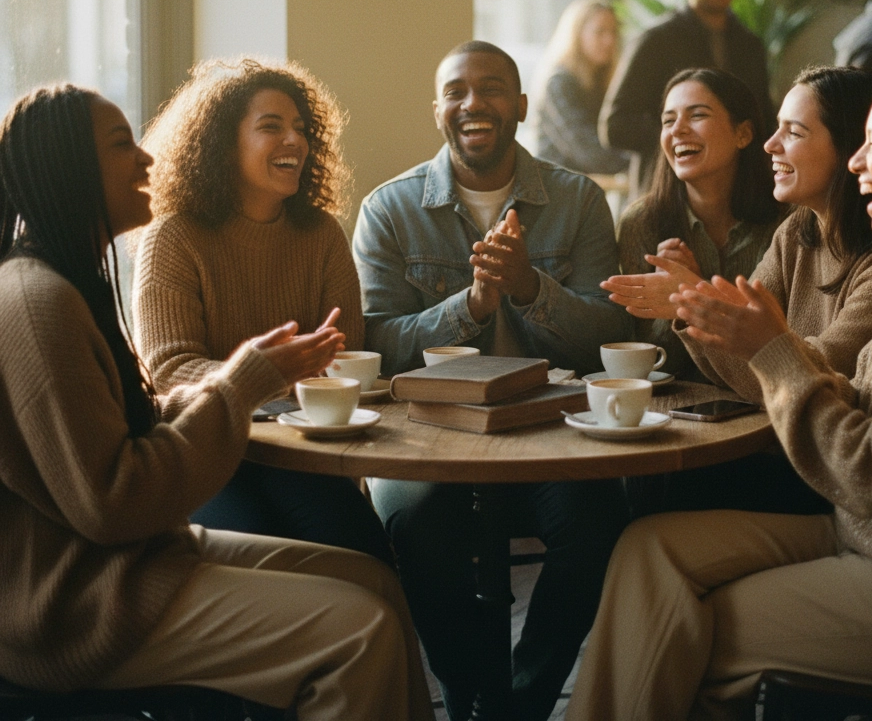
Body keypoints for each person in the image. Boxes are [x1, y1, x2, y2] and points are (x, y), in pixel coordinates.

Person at [567, 58, 872, 721]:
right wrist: (736, 330)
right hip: (859, 536)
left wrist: (773, 350)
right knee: (648, 549)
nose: (857, 163)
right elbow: (858, 399)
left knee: (668, 627)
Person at [0, 84, 432, 721]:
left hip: (135, 556)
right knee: (359, 630)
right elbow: (113, 503)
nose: (146, 159)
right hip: (78, 604)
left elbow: (131, 435)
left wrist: (247, 379)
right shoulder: (38, 303)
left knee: (373, 582)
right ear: (68, 166)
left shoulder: (66, 282)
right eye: (122, 145)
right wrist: (243, 380)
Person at [352, 40, 631, 721]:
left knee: (597, 526)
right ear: (439, 111)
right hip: (425, 438)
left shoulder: (579, 201)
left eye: (492, 88)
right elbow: (379, 345)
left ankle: (525, 702)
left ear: (522, 105)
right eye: (455, 91)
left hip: (552, 432)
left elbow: (607, 336)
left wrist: (531, 286)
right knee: (417, 526)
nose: (472, 103)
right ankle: (475, 694)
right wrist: (473, 304)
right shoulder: (389, 211)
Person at [607, 65, 872, 516]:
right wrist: (695, 305)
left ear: (849, 149)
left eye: (793, 132)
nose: (772, 145)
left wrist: (694, 301)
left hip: (828, 481)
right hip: (779, 451)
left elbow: (807, 373)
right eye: (667, 119)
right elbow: (750, 347)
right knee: (634, 495)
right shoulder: (797, 231)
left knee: (654, 501)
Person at [132, 58, 392, 564]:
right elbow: (168, 372)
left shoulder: (321, 235)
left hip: (300, 453)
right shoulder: (173, 237)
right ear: (222, 145)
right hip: (205, 455)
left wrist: (292, 371)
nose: (294, 141)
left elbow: (346, 357)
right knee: (263, 554)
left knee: (368, 556)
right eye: (271, 127)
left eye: (301, 128)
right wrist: (274, 371)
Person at [602, 67, 778, 381]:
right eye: (668, 120)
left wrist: (692, 295)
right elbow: (650, 364)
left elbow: (780, 348)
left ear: (743, 134)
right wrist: (670, 304)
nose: (678, 130)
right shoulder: (642, 222)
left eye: (696, 115)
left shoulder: (786, 221)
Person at [600, 0, 772, 187]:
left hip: (736, 194)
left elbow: (763, 121)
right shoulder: (656, 40)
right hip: (667, 192)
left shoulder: (750, 45)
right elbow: (615, 126)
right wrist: (687, 134)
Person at [530, 0, 630, 174]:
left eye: (613, 32)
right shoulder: (558, 84)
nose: (609, 41)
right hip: (555, 194)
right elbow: (589, 152)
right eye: (600, 32)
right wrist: (638, 162)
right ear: (576, 34)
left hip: (581, 190)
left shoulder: (601, 82)